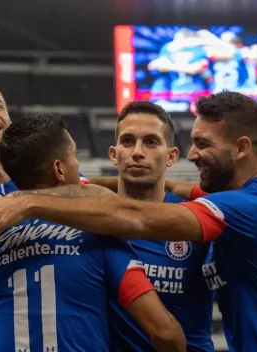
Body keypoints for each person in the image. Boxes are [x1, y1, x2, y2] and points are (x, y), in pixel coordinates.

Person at [0, 92, 257, 352]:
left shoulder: (250, 208)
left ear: (241, 148)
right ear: (114, 154)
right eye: (128, 142)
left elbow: (132, 217)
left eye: (202, 144)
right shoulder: (226, 200)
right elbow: (172, 188)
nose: (194, 154)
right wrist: (71, 186)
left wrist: (29, 200)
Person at [0, 114, 186, 352]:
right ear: (59, 169)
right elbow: (165, 332)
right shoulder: (97, 233)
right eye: (74, 157)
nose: (78, 166)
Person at [95, 101, 215, 351]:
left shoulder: (196, 219)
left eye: (150, 142)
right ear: (113, 154)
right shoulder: (89, 219)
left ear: (171, 156)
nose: (137, 151)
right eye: (127, 141)